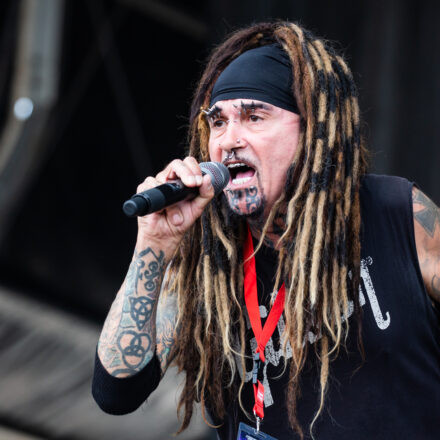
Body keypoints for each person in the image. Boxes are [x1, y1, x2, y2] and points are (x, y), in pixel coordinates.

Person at [92, 21, 440, 439]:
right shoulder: (204, 255)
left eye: (254, 117)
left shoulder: (398, 213)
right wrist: (155, 240)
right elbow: (116, 391)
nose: (229, 140)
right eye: (218, 122)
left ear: (312, 131)